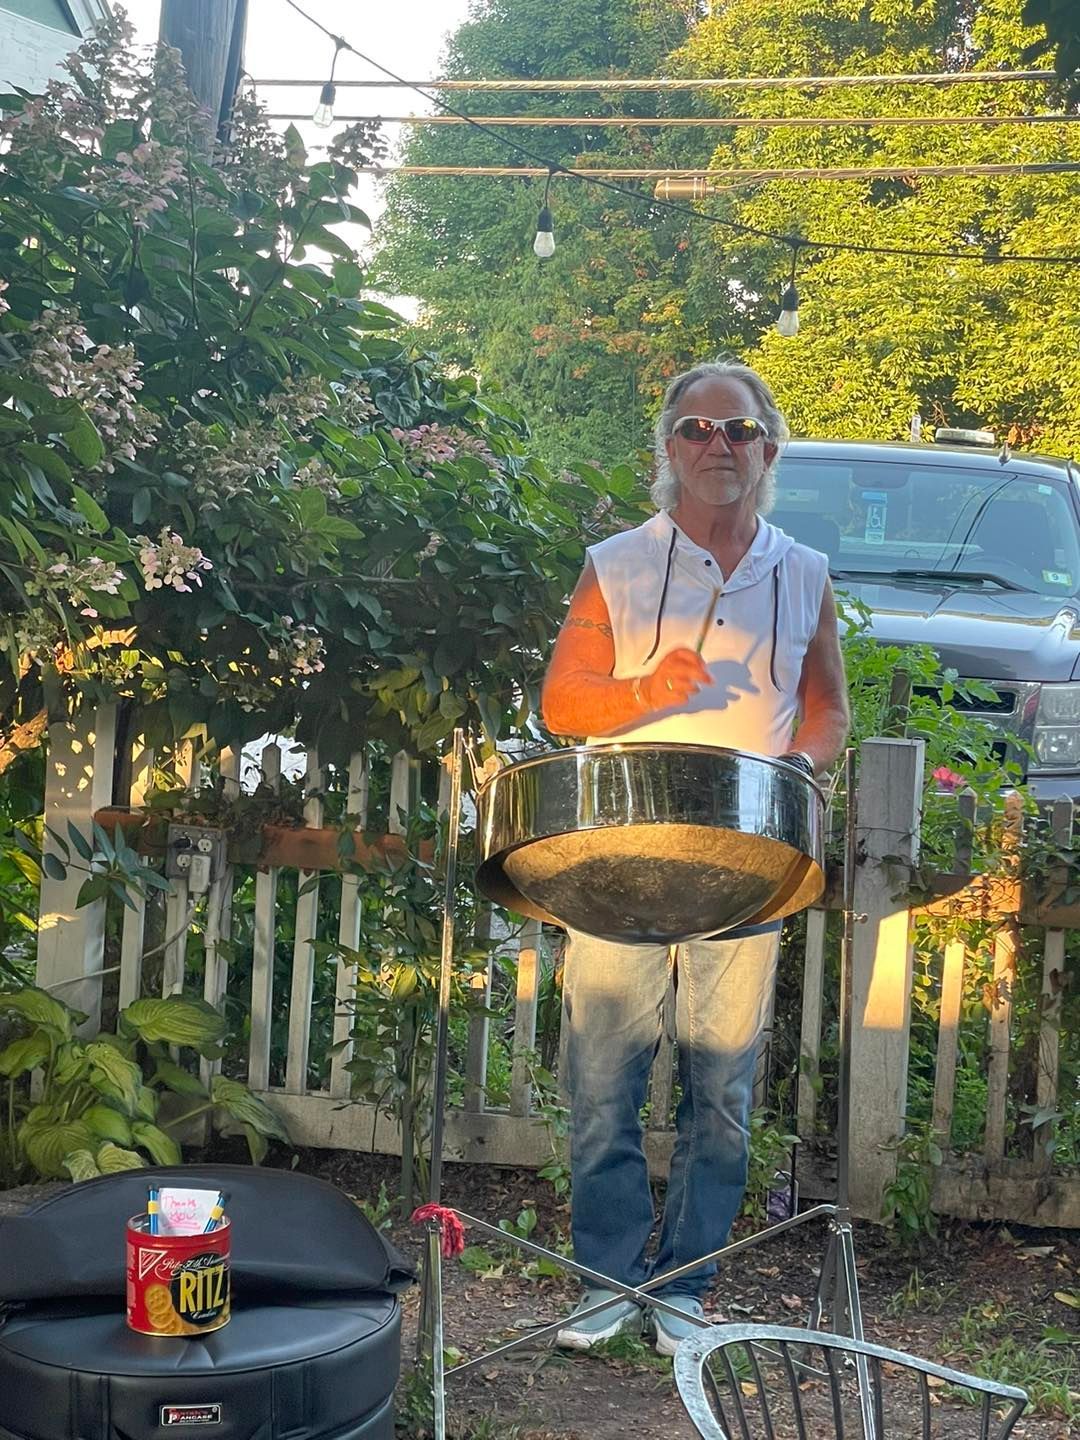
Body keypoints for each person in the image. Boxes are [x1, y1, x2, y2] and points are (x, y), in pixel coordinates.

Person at [541, 359, 850, 1357]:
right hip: (622, 859)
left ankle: (683, 1287)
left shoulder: (802, 571)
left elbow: (828, 705)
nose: (718, 445)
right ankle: (604, 1282)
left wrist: (801, 766)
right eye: (696, 429)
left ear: (770, 449)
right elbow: (562, 703)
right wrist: (647, 693)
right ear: (668, 450)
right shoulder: (618, 563)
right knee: (603, 1084)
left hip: (742, 864)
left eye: (740, 430)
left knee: (721, 1094)